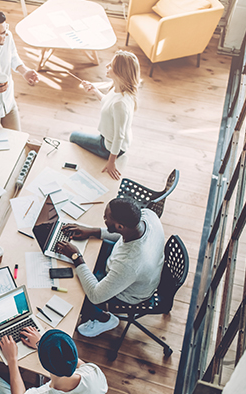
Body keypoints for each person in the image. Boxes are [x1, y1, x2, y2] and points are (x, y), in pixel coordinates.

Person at [56, 197, 165, 338]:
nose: (104, 218)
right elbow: (123, 236)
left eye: (106, 218)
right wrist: (92, 231)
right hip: (128, 266)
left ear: (120, 226)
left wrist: (76, 256)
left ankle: (104, 319)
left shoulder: (130, 264)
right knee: (86, 261)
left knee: (76, 291)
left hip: (130, 293)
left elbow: (96, 296)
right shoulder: (147, 215)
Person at [69, 50, 140, 180]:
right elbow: (108, 104)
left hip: (108, 147)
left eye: (111, 65)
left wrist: (111, 161)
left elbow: (119, 137)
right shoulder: (119, 89)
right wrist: (95, 90)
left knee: (73, 136)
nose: (107, 65)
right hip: (112, 139)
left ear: (120, 72)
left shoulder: (120, 104)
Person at [0, 328, 108, 394]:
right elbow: (70, 358)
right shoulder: (94, 372)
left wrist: (12, 359)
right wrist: (41, 344)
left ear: (44, 364)